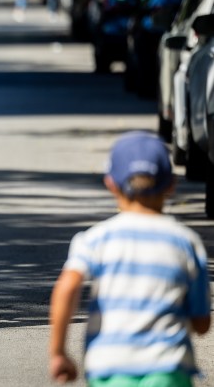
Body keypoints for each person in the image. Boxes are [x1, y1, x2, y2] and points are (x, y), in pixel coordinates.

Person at [49, 131, 211, 386]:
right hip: (168, 368)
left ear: (110, 183)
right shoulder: (186, 242)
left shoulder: (95, 239)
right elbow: (202, 323)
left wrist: (58, 352)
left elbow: (67, 286)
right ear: (171, 185)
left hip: (109, 367)